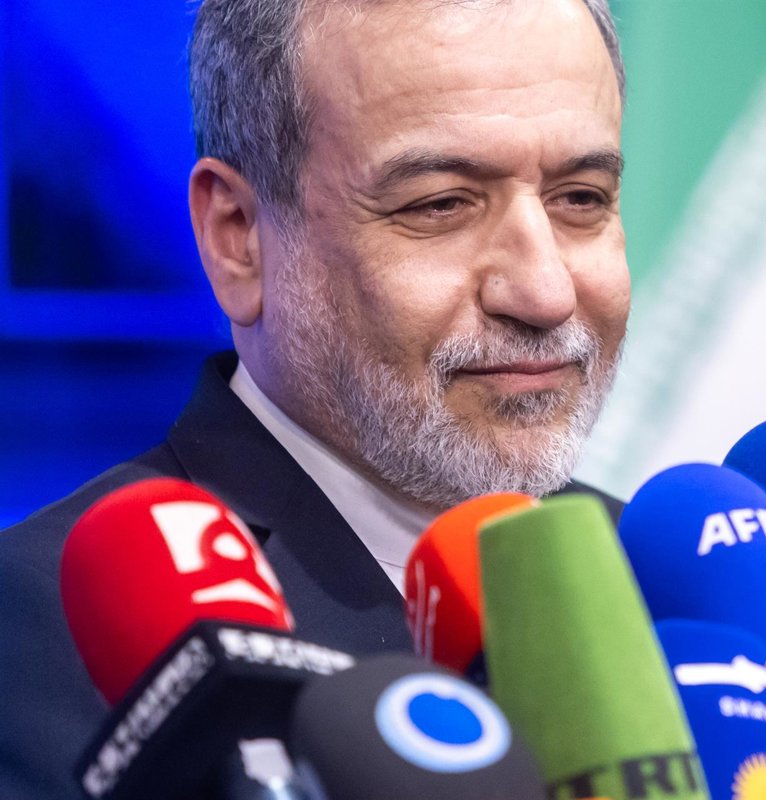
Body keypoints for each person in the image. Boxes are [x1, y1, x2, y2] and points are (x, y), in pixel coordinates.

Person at [0, 0, 629, 796]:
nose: (544, 293)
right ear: (238, 236)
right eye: (439, 204)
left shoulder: (669, 590)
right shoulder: (27, 640)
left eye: (582, 198)